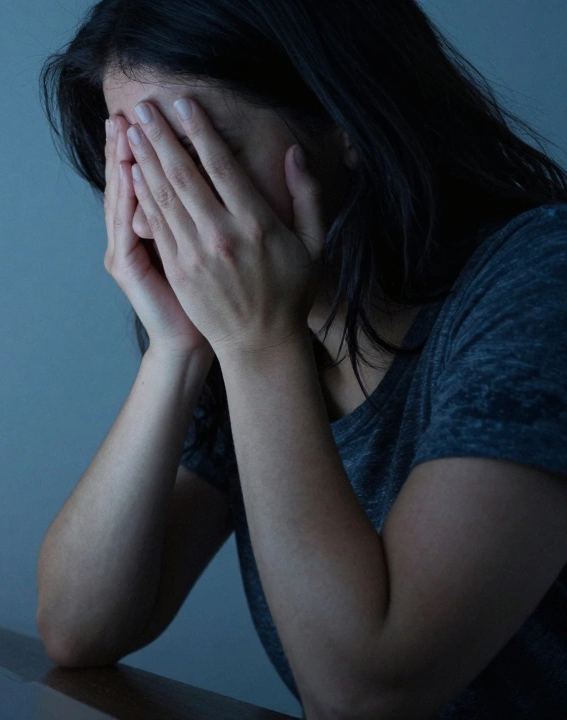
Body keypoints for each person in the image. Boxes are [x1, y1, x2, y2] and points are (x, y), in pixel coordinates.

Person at [34, 1, 567, 717]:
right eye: (138, 162)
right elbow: (79, 626)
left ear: (345, 121)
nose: (160, 207)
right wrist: (176, 350)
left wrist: (259, 344)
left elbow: (365, 695)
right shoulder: (254, 344)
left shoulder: (541, 278)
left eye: (189, 153)